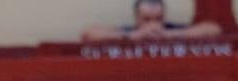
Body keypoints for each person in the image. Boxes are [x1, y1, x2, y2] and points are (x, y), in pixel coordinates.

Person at [81, 0, 223, 42]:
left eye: (158, 19)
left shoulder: (171, 29)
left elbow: (213, 29)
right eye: (146, 19)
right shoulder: (129, 32)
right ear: (137, 18)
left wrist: (171, 35)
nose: (153, 24)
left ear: (164, 17)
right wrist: (132, 36)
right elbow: (89, 33)